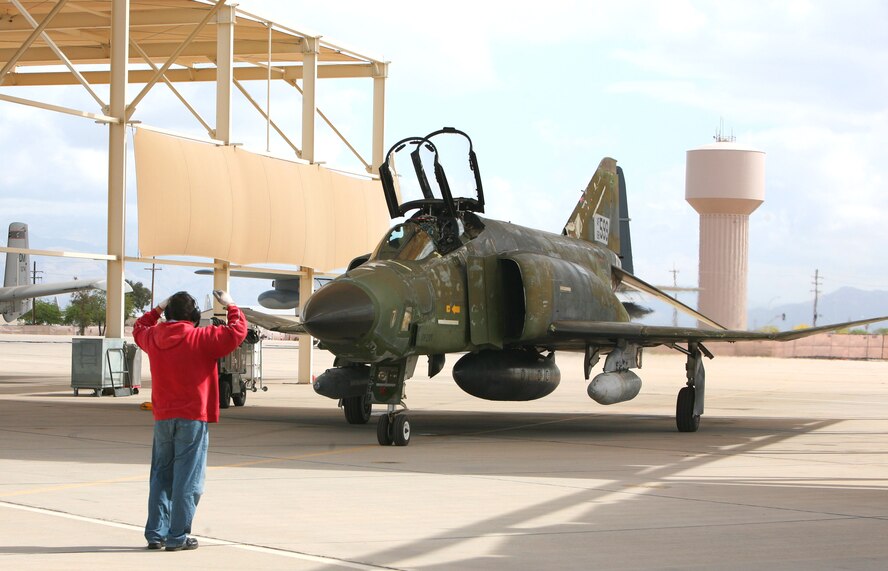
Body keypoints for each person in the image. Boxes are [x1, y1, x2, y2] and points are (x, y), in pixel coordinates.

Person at [133, 290, 247, 551]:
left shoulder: (152, 337)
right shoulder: (202, 337)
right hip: (193, 416)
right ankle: (177, 536)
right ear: (194, 316)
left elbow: (140, 325)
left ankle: (156, 533)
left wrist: (158, 307)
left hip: (163, 416)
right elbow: (237, 331)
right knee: (188, 479)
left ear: (168, 314)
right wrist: (230, 304)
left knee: (161, 475)